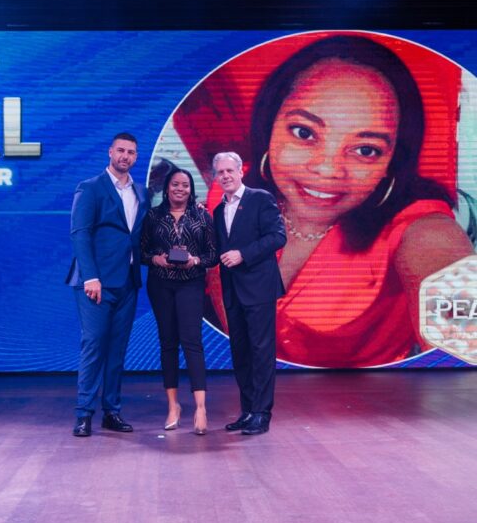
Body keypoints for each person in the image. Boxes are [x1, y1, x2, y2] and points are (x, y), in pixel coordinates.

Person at [244, 35, 474, 367]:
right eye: (304, 133)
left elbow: (461, 322)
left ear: (391, 162)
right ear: (269, 126)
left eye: (366, 150)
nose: (328, 169)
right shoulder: (233, 194)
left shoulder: (418, 230)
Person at [67, 132, 149, 437]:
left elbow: (139, 236)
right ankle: (83, 413)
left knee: (117, 349)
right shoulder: (90, 187)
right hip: (95, 283)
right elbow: (80, 233)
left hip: (128, 282)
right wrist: (91, 276)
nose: (125, 156)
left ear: (136, 157)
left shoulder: (140, 192)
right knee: (94, 344)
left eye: (131, 152)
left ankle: (111, 411)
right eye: (121, 150)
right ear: (110, 152)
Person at [213, 151, 287, 435]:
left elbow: (277, 237)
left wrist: (243, 254)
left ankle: (261, 413)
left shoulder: (260, 198)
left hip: (258, 289)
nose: (226, 176)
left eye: (229, 171)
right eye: (220, 172)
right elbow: (218, 250)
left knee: (261, 351)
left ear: (240, 171)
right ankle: (247, 411)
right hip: (232, 291)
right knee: (241, 352)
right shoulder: (218, 211)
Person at [141, 168, 218, 435]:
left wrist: (194, 260)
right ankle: (173, 406)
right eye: (175, 184)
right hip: (160, 284)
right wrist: (156, 259)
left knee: (192, 342)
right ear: (167, 187)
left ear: (191, 189)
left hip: (190, 284)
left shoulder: (202, 216)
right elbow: (142, 251)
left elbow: (212, 255)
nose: (180, 189)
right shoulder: (153, 215)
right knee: (168, 343)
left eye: (185, 185)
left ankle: (200, 408)